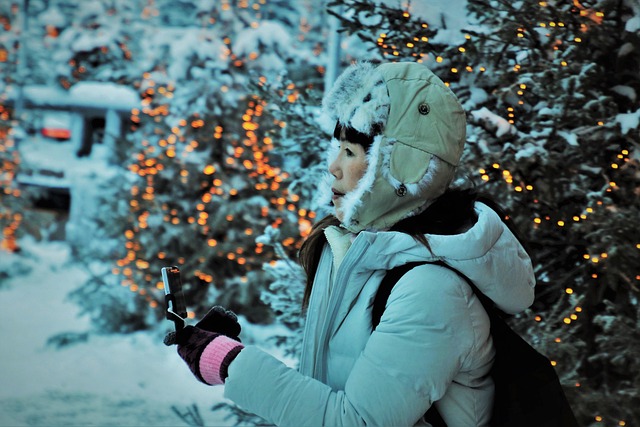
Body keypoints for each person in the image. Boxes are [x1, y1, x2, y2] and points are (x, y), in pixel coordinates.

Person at [166, 61, 535, 426]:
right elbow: (329, 387)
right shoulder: (349, 249)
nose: (334, 167)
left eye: (351, 152)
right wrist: (226, 350)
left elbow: (354, 421)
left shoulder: (432, 291)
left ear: (400, 167)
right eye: (338, 147)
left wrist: (231, 364)